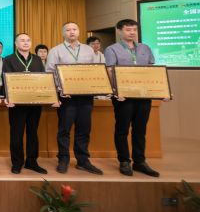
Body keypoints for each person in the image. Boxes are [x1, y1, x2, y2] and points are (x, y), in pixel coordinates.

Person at [105, 19, 166, 178]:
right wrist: (116, 91)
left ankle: (139, 161)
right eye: (128, 30)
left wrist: (161, 91)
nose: (132, 32)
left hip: (143, 95)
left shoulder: (145, 48)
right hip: (123, 97)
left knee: (140, 129)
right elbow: (110, 72)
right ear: (119, 31)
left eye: (134, 30)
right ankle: (124, 161)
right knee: (122, 129)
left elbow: (152, 71)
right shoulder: (112, 49)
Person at [46, 22, 102, 175]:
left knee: (84, 129)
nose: (72, 32)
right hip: (66, 97)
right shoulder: (55, 50)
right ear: (63, 33)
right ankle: (63, 159)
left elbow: (96, 71)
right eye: (68, 30)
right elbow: (50, 73)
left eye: (74, 29)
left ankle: (83, 160)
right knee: (64, 130)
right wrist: (61, 89)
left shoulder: (88, 50)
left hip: (85, 96)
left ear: (79, 31)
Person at [3, 33, 52, 175]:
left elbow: (43, 79)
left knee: (33, 133)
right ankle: (17, 162)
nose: (25, 43)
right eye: (22, 40)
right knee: (16, 134)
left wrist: (49, 96)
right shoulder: (9, 59)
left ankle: (32, 161)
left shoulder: (37, 59)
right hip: (17, 104)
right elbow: (5, 79)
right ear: (16, 43)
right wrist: (8, 97)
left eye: (28, 40)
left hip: (34, 103)